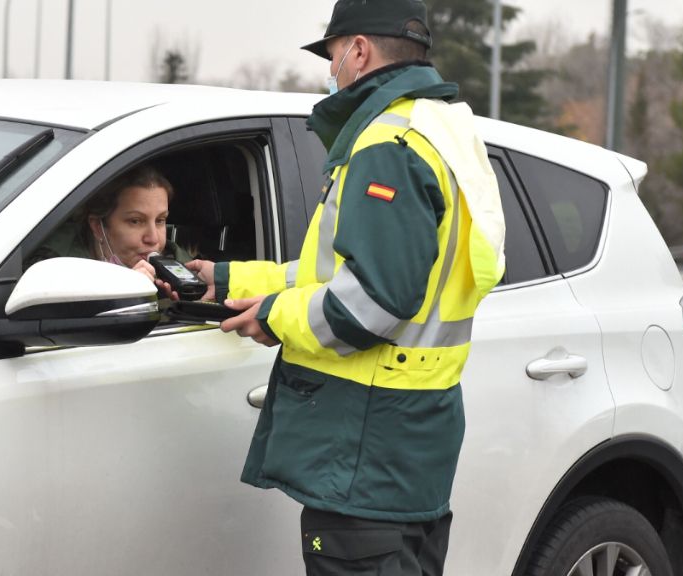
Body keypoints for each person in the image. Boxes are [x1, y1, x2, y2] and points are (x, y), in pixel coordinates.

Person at [186, 1, 506, 573]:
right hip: (409, 448)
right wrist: (226, 278)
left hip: (365, 450)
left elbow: (372, 303)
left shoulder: (388, 144)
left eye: (331, 56)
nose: (330, 72)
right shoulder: (444, 129)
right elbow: (338, 274)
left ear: (358, 51)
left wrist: (274, 316)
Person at [28, 164, 192, 296]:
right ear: (98, 227)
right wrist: (121, 294)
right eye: (135, 221)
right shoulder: (54, 272)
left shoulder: (183, 268)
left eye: (160, 220)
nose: (153, 238)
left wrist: (196, 297)